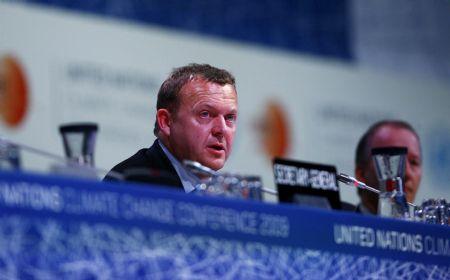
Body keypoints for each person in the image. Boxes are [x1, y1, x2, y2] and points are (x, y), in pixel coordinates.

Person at [103, 63, 238, 192]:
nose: (221, 130)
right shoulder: (131, 185)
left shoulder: (230, 195)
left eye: (229, 118)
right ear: (166, 122)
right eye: (205, 114)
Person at [354, 120, 422, 214]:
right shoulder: (334, 226)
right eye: (391, 161)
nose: (406, 173)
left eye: (414, 162)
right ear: (361, 175)